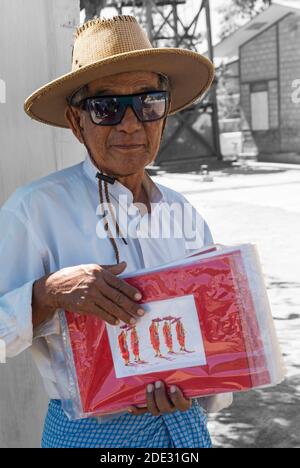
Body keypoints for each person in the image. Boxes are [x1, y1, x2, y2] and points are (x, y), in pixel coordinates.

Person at [0, 15, 232, 448]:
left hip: (184, 428)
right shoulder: (34, 210)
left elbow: (211, 330)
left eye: (148, 102)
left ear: (163, 113)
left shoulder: (182, 212)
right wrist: (47, 293)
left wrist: (199, 382)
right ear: (76, 121)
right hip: (90, 435)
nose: (130, 123)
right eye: (106, 107)